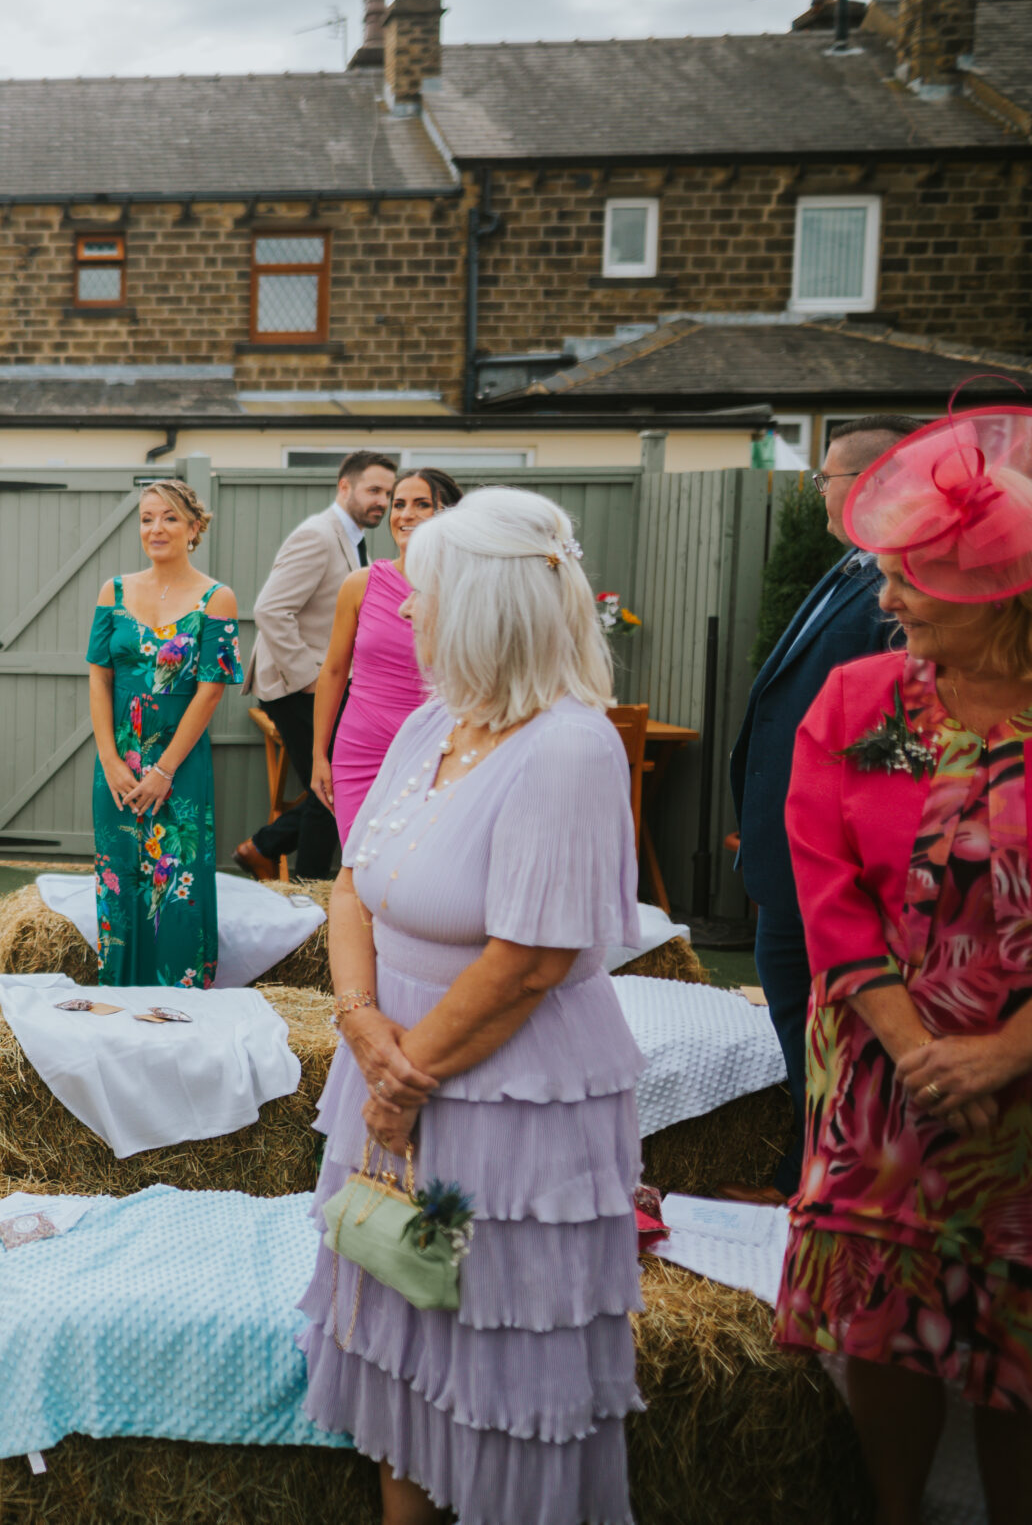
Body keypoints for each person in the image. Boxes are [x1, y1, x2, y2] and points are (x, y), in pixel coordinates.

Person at [298, 487, 647, 1525]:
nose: (404, 611)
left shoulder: (570, 747)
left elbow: (531, 958)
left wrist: (405, 1077)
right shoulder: (433, 721)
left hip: (502, 1101)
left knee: (494, 1351)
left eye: (429, 592)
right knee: (399, 1332)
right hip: (386, 1068)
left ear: (490, 605)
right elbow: (353, 879)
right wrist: (360, 1027)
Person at [776, 406, 1032, 1525]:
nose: (885, 601)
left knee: (1013, 1332)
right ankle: (895, 1509)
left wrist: (1001, 1056)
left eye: (911, 582)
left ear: (996, 595)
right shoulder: (879, 703)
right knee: (886, 1320)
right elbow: (830, 877)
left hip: (1017, 1092)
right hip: (884, 1078)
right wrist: (916, 1046)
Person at [726, 414, 923, 1194]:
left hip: (839, 866)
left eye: (826, 477)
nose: (820, 490)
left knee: (830, 1023)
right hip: (789, 850)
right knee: (793, 1015)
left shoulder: (900, 587)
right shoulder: (850, 566)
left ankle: (833, 1168)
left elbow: (895, 738)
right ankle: (809, 1155)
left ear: (869, 480)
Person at [84, 479, 243, 987]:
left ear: (194, 528)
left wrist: (164, 769)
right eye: (148, 517)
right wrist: (109, 759)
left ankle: (179, 999)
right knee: (121, 878)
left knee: (177, 882)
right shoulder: (113, 591)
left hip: (180, 764)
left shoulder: (218, 599)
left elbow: (211, 692)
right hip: (118, 763)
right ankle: (121, 990)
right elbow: (99, 677)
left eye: (170, 518)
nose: (157, 528)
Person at [239, 450, 397, 882]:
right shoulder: (319, 536)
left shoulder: (350, 539)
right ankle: (310, 890)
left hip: (323, 683)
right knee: (331, 786)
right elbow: (270, 610)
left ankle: (266, 848)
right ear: (344, 487)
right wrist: (310, 682)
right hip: (293, 686)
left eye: (388, 492)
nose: (382, 501)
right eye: (374, 490)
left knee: (334, 784)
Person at [311, 467, 461, 846]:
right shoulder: (360, 584)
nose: (405, 515)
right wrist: (318, 754)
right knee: (358, 866)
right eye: (399, 504)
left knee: (416, 869)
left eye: (421, 504)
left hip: (437, 747)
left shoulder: (467, 590)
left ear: (447, 514)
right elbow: (332, 671)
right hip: (360, 749)